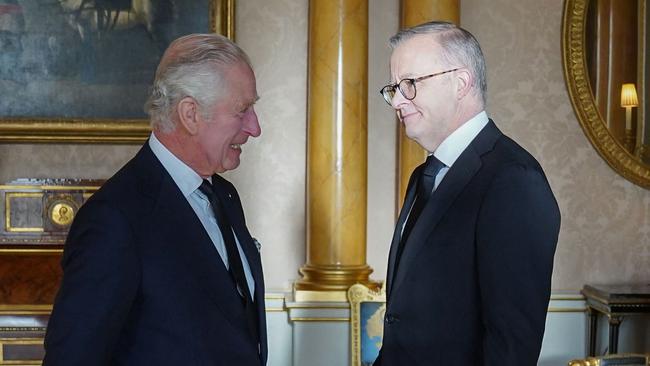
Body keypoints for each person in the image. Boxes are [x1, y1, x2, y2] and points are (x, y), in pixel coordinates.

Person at [43, 34, 267, 366]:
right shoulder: (115, 219)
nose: (255, 127)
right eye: (242, 110)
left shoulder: (225, 196)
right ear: (190, 114)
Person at [374, 21, 560, 365]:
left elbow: (511, 346)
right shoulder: (423, 176)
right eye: (394, 88)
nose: (397, 101)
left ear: (461, 83)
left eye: (410, 84)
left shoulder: (513, 179)